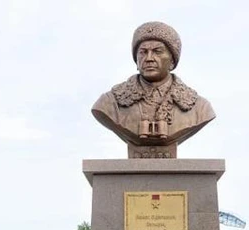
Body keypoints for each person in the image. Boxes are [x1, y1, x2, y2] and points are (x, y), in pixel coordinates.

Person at [92, 21, 216, 158]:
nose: (149, 58)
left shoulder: (200, 108)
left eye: (157, 51)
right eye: (143, 52)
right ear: (136, 60)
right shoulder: (109, 103)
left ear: (172, 61)